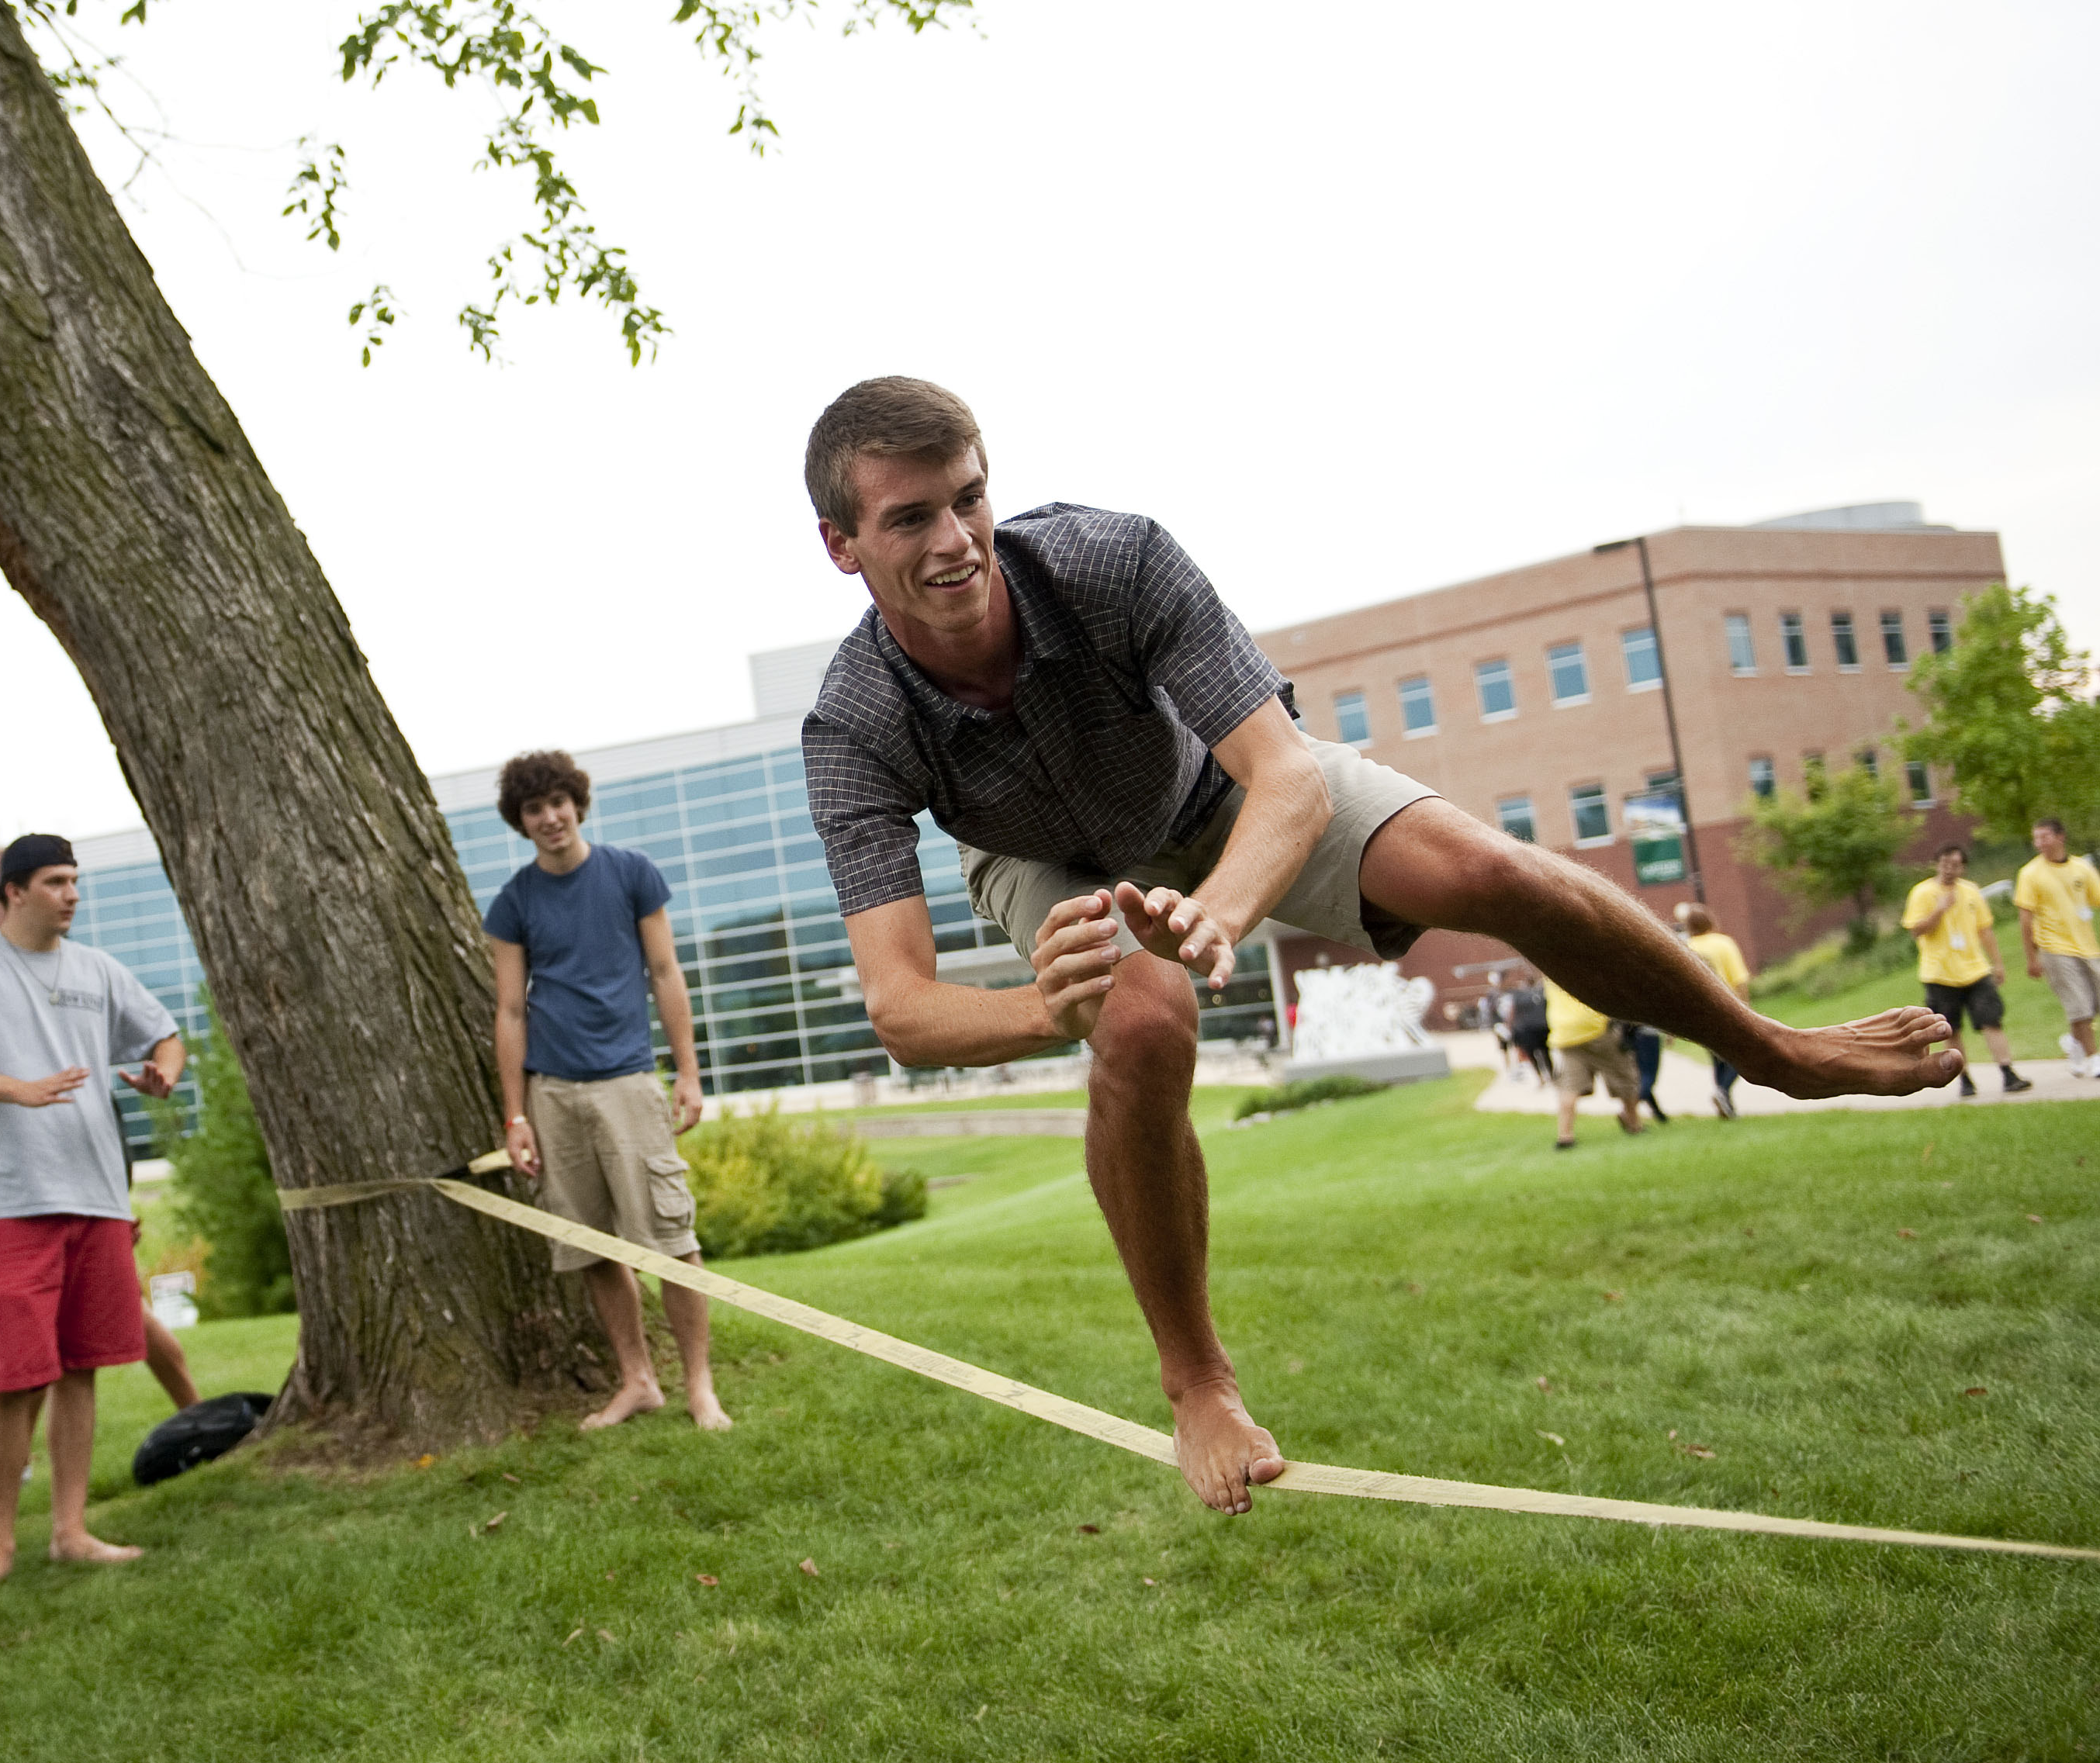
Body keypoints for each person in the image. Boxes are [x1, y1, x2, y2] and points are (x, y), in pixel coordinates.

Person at [797, 375, 1960, 1517]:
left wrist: (1221, 910)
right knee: (1144, 1021)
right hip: (1041, 857)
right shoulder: (852, 721)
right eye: (910, 517)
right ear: (841, 545)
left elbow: (1286, 772)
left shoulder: (1110, 560)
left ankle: (1768, 1050)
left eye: (969, 497)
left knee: (1487, 870)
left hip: (1221, 791)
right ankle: (1198, 1382)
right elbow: (899, 1004)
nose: (956, 540)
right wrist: (1046, 1011)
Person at [0, 834, 185, 1605]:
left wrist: (164, 1073)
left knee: (80, 1367)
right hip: (11, 1203)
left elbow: (166, 1035)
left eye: (75, 880)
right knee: (14, 1379)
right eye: (56, 881)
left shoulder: (98, 969)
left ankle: (70, 1531)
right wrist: (16, 1088)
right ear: (14, 890)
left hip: (98, 1197)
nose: (72, 894)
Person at [485, 751, 731, 1433]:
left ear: (577, 803)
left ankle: (700, 1388)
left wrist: (688, 1073)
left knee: (672, 1240)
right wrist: (515, 1116)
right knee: (590, 1249)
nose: (549, 817)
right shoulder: (513, 903)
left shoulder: (631, 873)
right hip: (553, 1095)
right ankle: (638, 1381)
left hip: (628, 1082)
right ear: (521, 821)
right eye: (534, 809)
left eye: (557, 802)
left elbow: (665, 972)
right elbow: (510, 1011)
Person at [0, 1185, 202, 1490]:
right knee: (62, 1329)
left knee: (50, 1333)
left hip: (72, 1201)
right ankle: (201, 1419)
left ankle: (201, 1420)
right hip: (80, 1198)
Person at [1901, 844, 2028, 1098]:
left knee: (1992, 1020)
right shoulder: (1922, 893)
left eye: (1955, 865)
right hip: (1940, 974)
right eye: (1944, 864)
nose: (1949, 869)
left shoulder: (1970, 891)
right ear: (1937, 864)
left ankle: (2008, 1073)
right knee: (1951, 1029)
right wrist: (1940, 909)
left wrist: (1997, 963)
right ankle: (1965, 1079)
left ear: (1963, 867)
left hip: (1975, 970)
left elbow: (1985, 929)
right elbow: (1916, 930)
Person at [2017, 818, 2100, 1080]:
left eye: (2045, 837)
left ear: (2060, 837)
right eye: (2036, 838)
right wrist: (2032, 957)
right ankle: (2093, 1058)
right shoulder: (2031, 874)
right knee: (2079, 1005)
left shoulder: (2081, 867)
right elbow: (2025, 918)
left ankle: (2073, 1044)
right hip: (2054, 948)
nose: (2039, 843)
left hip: (2087, 946)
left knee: (2092, 1005)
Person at [1673, 901, 1757, 1115]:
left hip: (1700, 1011)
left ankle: (1726, 1104)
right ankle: (1722, 1091)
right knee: (1741, 1055)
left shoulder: (1685, 948)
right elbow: (1739, 979)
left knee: (1718, 1058)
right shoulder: (1723, 943)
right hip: (1727, 1007)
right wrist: (1745, 1008)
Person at [1544, 979, 1644, 1149]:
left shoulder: (1550, 973)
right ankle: (1634, 1124)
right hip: (1595, 1029)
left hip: (1564, 1034)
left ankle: (1565, 1136)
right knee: (1625, 1076)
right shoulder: (1584, 969)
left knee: (1569, 1086)